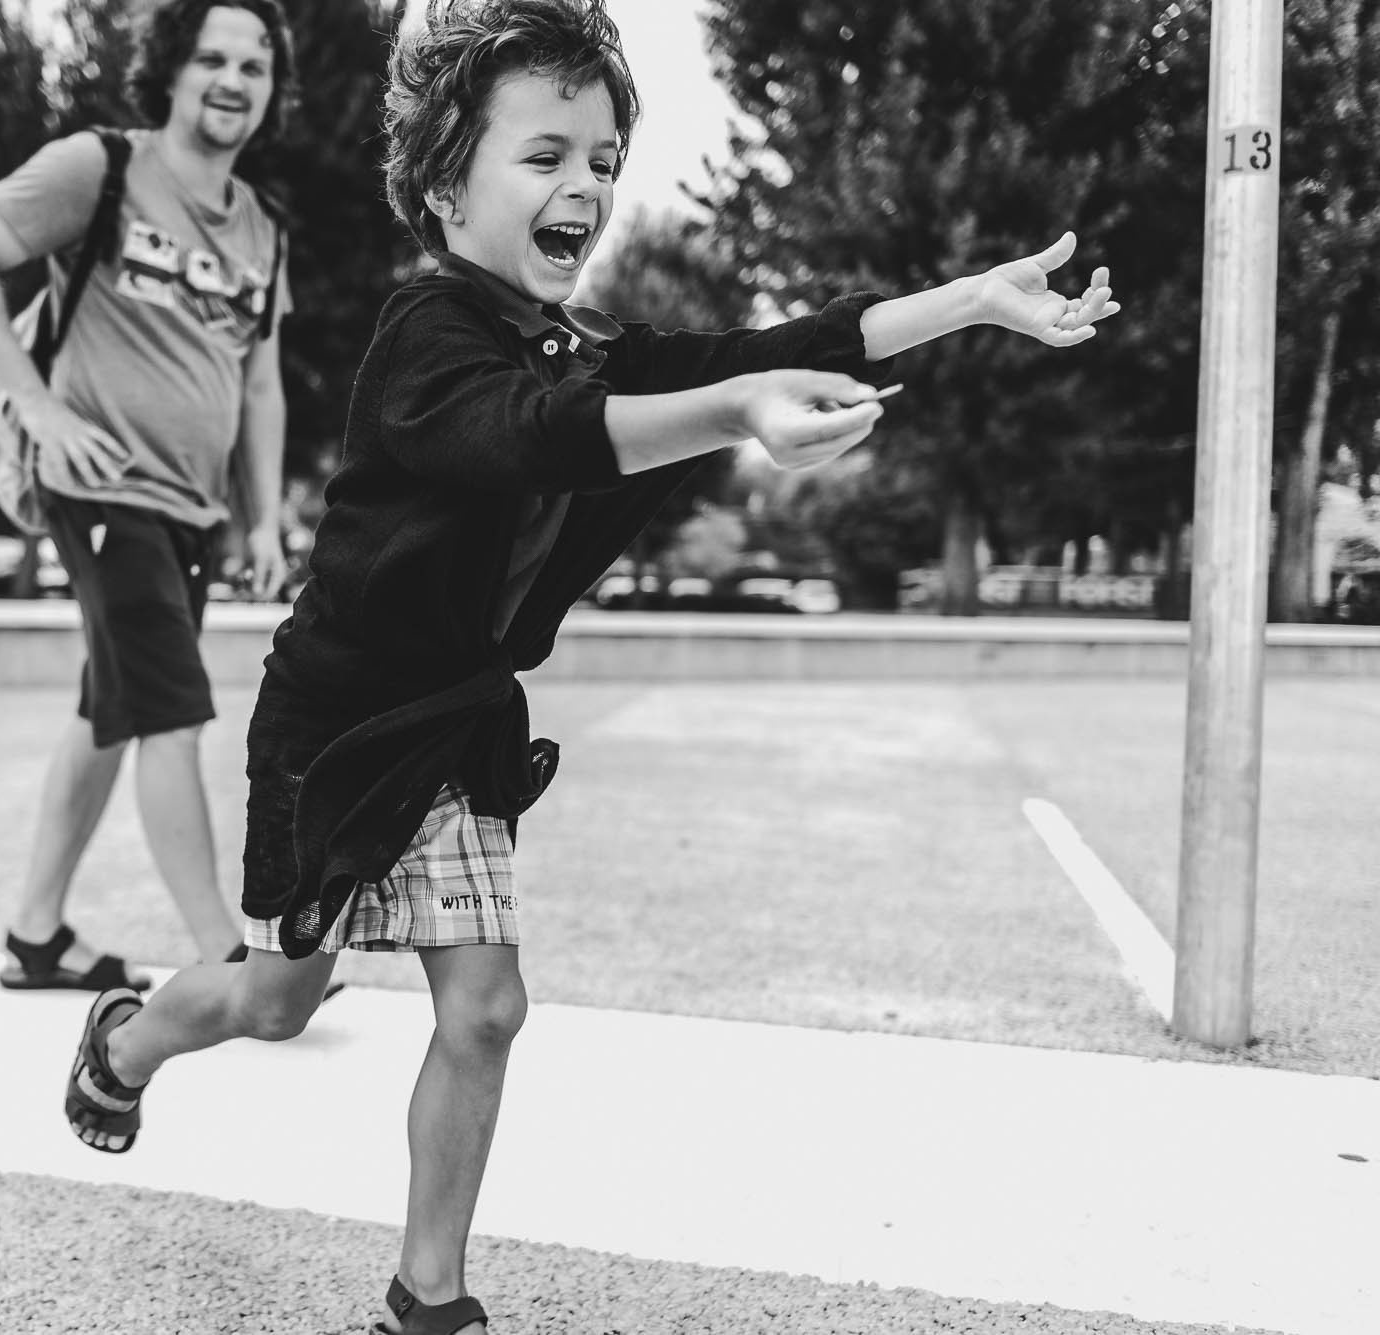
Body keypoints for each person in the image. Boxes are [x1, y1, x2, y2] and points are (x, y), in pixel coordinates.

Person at [61, 1, 1121, 1330]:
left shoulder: (592, 345)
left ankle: (426, 1295)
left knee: (487, 1005)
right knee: (278, 998)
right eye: (547, 154)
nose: (588, 186)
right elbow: (532, 435)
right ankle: (131, 1035)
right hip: (337, 724)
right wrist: (730, 415)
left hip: (455, 722)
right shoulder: (425, 341)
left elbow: (773, 347)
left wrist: (970, 303)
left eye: (606, 161)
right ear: (448, 188)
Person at [0, 0, 298, 992]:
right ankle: (228, 958)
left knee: (112, 711)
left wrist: (263, 515)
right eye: (211, 57)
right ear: (169, 70)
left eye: (253, 66)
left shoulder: (262, 229)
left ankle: (35, 933)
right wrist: (36, 408)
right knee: (170, 711)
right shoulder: (101, 168)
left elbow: (260, 380)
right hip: (98, 489)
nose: (231, 79)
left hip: (189, 511)